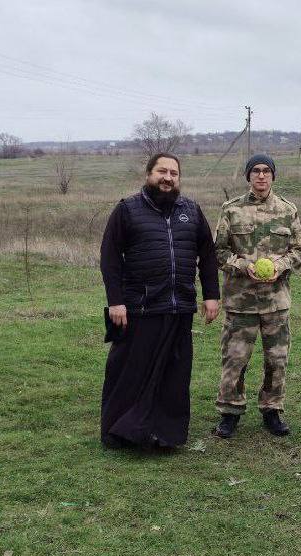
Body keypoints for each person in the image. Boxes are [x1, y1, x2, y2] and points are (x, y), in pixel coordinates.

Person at [99, 152, 220, 450]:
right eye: (161, 172)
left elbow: (207, 254)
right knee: (130, 373)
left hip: (180, 307)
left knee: (174, 376)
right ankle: (120, 433)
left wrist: (212, 295)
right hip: (139, 307)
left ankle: (166, 436)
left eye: (173, 173)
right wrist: (116, 301)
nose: (167, 178)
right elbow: (110, 258)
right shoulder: (127, 210)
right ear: (149, 174)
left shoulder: (191, 211)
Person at [213, 154, 301, 438]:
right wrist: (243, 266)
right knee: (235, 358)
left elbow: (299, 252)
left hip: (275, 303)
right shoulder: (231, 210)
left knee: (276, 359)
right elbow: (218, 252)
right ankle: (230, 412)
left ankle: (272, 410)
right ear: (248, 176)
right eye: (256, 171)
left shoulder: (288, 211)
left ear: (273, 176)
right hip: (241, 302)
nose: (261, 176)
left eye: (267, 171)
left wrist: (279, 266)